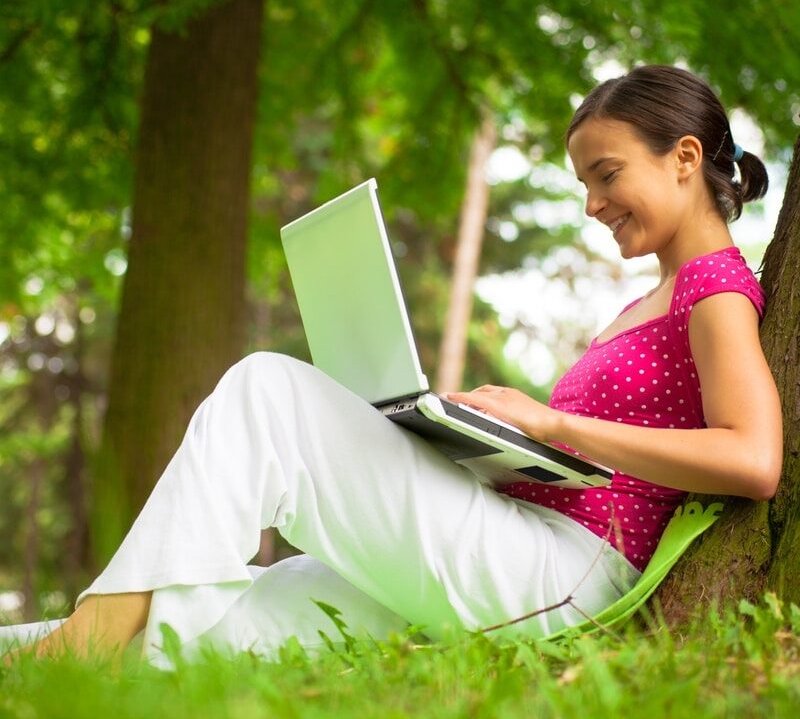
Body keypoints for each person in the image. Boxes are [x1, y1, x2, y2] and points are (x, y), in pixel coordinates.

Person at [3, 65, 783, 666]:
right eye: (583, 184)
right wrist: (473, 440)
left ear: (684, 158)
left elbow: (752, 459)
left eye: (606, 174)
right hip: (525, 541)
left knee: (266, 389)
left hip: (567, 577)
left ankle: (83, 642)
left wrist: (549, 421)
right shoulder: (648, 304)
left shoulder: (714, 284)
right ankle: (61, 648)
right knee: (236, 618)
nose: (591, 204)